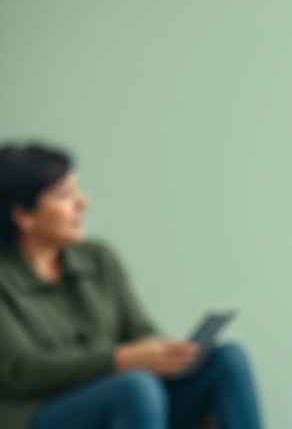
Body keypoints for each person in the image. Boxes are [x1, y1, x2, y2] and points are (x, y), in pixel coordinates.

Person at [0, 143, 263, 429]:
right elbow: (21, 370)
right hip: (41, 413)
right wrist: (120, 359)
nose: (83, 203)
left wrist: (170, 353)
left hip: (130, 399)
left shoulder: (98, 259)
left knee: (227, 358)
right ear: (23, 215)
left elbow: (138, 333)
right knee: (134, 387)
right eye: (66, 195)